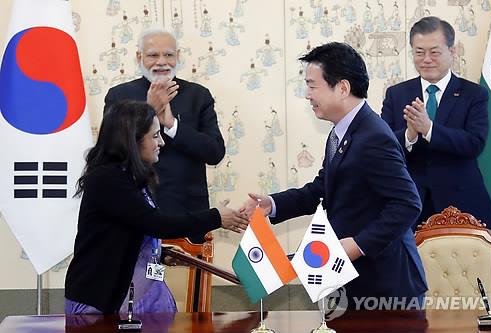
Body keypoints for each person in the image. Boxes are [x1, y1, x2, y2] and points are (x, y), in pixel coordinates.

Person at [241, 42, 427, 309]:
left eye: (312, 86)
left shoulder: (373, 136)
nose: (307, 95)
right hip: (353, 281)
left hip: (386, 286)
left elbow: (408, 203)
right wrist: (272, 204)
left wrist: (357, 245)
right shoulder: (343, 132)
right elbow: (323, 188)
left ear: (342, 88)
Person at [65, 101, 248, 314]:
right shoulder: (108, 179)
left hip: (121, 299)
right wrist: (216, 217)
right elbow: (156, 224)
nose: (161, 142)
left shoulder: (127, 177)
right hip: (97, 302)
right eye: (154, 136)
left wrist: (159, 253)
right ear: (131, 140)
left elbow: (127, 232)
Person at [104, 27, 225, 243]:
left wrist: (171, 125)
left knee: (187, 276)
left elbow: (214, 152)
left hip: (186, 212)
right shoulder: (119, 96)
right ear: (139, 57)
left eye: (169, 54)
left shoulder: (198, 95)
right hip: (133, 210)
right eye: (153, 55)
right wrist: (149, 113)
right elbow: (111, 151)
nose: (162, 62)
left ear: (178, 57)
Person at [381, 16, 491, 229]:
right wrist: (410, 135)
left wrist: (429, 129)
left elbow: (474, 143)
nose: (426, 59)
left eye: (434, 52)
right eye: (419, 52)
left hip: (462, 206)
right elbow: (383, 147)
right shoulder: (396, 94)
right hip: (410, 205)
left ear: (451, 52)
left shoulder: (473, 94)